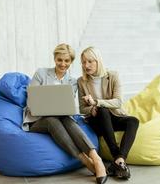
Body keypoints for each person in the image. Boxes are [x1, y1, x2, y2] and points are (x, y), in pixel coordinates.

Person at [22, 43, 108, 184]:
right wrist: (42, 108)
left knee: (67, 119)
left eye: (67, 61)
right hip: (37, 120)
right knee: (51, 120)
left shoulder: (72, 82)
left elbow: (64, 106)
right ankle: (85, 160)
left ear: (71, 62)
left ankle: (96, 158)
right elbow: (31, 101)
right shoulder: (41, 73)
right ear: (55, 58)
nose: (63, 64)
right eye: (59, 60)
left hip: (61, 118)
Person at [77, 46, 139, 180]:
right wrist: (92, 109)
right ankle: (117, 157)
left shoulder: (113, 76)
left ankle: (119, 160)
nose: (86, 65)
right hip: (96, 120)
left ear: (98, 61)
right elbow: (82, 108)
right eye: (83, 62)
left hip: (113, 116)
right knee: (102, 110)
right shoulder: (81, 81)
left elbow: (117, 102)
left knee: (133, 121)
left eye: (90, 61)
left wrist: (96, 102)